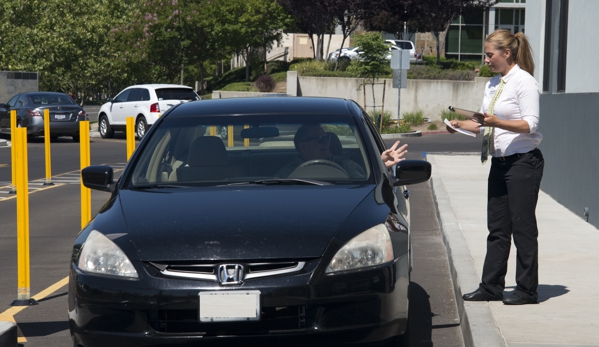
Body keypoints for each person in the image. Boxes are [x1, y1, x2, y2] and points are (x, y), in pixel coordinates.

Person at [446, 29, 544, 305]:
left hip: (524, 162)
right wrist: (460, 126)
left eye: (490, 54)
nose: (486, 59)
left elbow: (530, 124)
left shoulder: (524, 82)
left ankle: (527, 290)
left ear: (507, 53)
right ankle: (491, 287)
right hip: (500, 163)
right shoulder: (492, 84)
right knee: (498, 228)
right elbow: (482, 124)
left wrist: (495, 122)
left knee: (523, 228)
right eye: (485, 55)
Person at [277, 124, 407, 178]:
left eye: (326, 138)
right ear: (302, 146)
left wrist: (381, 164)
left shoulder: (347, 166)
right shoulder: (287, 172)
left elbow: (370, 186)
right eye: (319, 139)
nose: (326, 142)